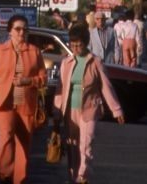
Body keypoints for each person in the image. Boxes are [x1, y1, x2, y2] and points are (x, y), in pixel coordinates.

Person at [0, 14, 46, 184]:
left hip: (26, 104)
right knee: (6, 138)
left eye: (24, 29)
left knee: (23, 145)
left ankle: (19, 179)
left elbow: (43, 79)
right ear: (10, 32)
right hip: (5, 104)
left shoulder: (35, 52)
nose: (21, 33)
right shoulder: (1, 51)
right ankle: (4, 173)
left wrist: (28, 81)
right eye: (18, 29)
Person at [53, 22, 124, 183]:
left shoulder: (95, 62)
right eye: (73, 45)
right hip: (70, 110)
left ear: (86, 44)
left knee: (86, 145)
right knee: (72, 145)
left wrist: (117, 110)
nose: (76, 49)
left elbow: (106, 87)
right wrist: (56, 111)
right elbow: (60, 88)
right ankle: (73, 175)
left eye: (79, 45)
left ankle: (82, 177)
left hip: (89, 109)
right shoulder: (67, 63)